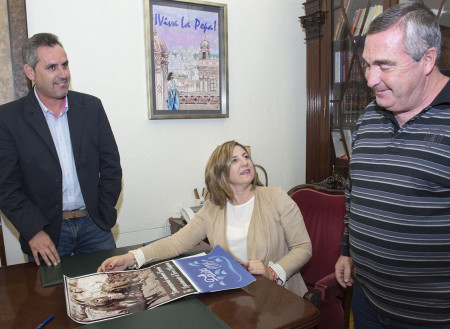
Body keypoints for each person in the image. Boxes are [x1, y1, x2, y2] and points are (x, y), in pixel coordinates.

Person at [334, 3, 450, 328]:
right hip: (367, 302)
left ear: (427, 60)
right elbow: (354, 190)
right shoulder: (370, 116)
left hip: (431, 318)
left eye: (384, 66)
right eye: (368, 64)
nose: (371, 80)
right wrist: (346, 250)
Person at [98, 140, 312, 297]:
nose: (245, 162)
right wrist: (131, 258)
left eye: (246, 157)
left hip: (280, 297)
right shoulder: (213, 208)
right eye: (235, 160)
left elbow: (303, 247)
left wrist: (273, 272)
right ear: (221, 174)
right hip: (239, 295)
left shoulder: (276, 198)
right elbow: (177, 242)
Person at [0, 33, 122, 267]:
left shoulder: (91, 107)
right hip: (46, 233)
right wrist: (33, 231)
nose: (63, 74)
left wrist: (103, 211)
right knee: (51, 302)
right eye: (52, 67)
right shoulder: (8, 119)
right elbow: (6, 187)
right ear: (30, 72)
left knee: (110, 294)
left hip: (94, 226)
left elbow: (111, 167)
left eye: (64, 65)